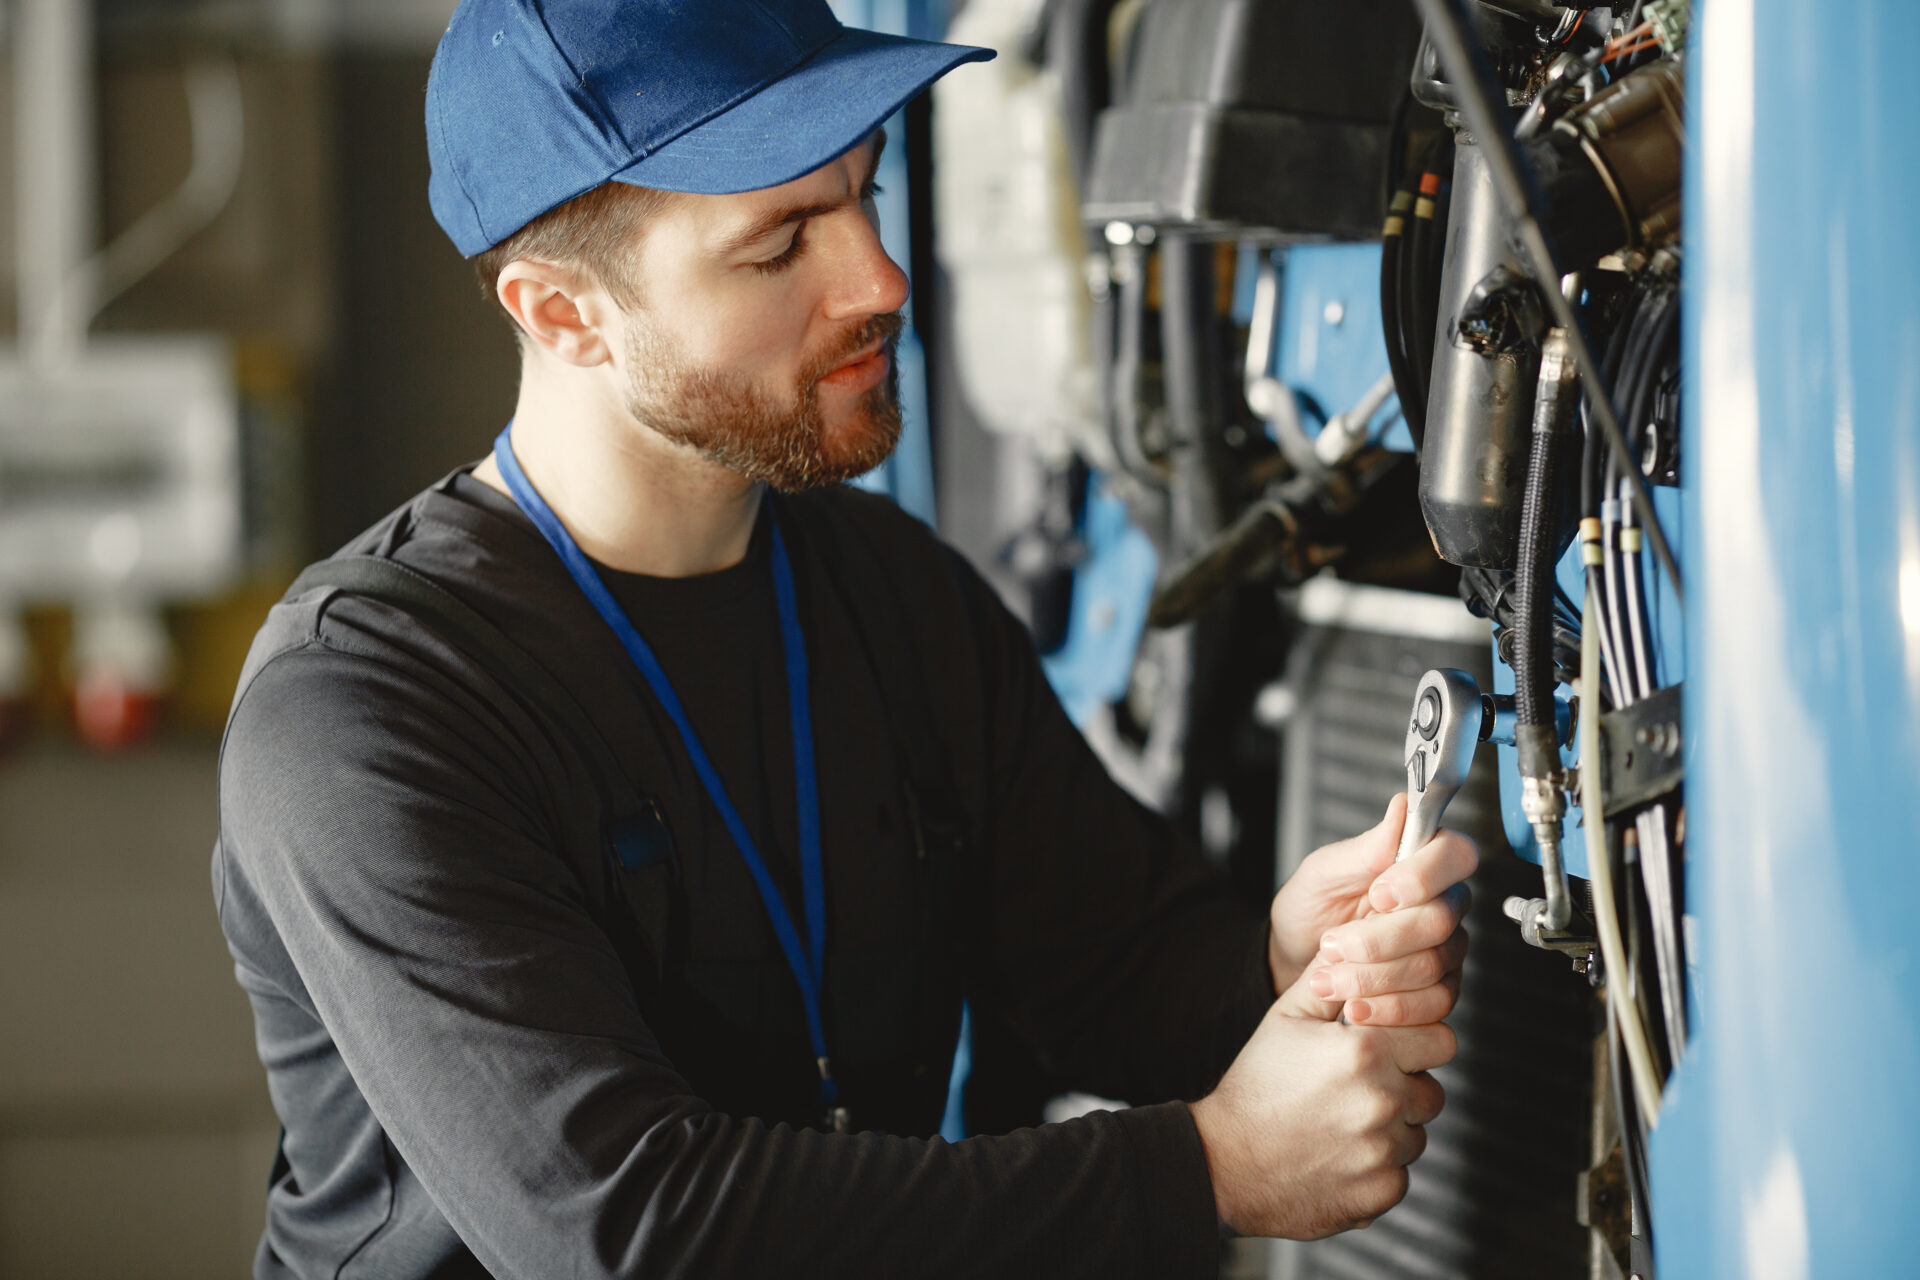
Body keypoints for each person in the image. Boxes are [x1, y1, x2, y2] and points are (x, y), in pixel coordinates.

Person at [212, 2, 1478, 1276]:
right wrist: (1207, 1162)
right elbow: (630, 1232)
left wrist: (1282, 962)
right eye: (779, 246)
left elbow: (1111, 961)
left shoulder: (890, 593)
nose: (879, 280)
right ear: (562, 316)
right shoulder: (364, 709)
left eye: (864, 193)